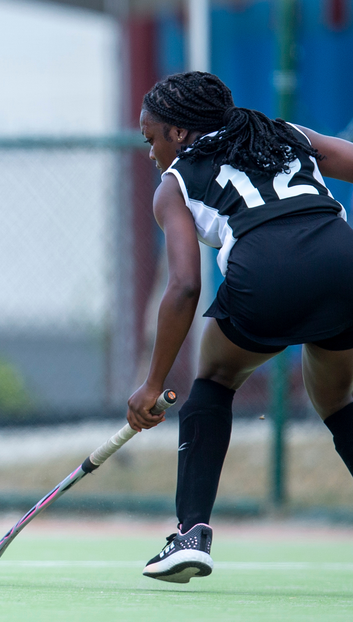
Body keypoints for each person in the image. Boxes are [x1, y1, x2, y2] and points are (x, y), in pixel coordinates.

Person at [129, 71, 353, 583]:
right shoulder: (287, 133)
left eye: (152, 138)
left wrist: (152, 383)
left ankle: (191, 534)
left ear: (179, 133)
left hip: (266, 275)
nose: (151, 153)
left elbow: (184, 286)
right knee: (337, 401)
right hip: (343, 264)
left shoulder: (175, 183)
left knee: (214, 379)